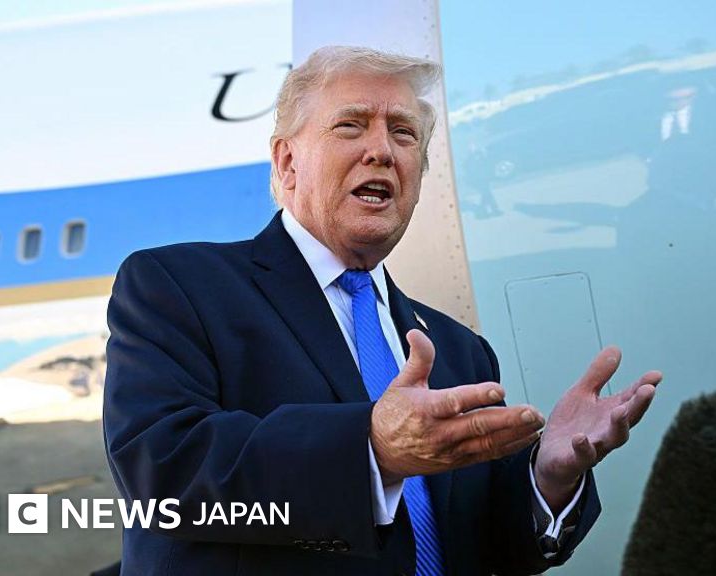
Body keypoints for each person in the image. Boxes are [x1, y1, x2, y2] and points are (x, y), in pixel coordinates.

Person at [103, 45, 661, 576]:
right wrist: (372, 450)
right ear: (287, 161)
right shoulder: (179, 287)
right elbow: (162, 475)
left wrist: (548, 477)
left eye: (403, 133)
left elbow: (484, 545)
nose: (382, 151)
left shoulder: (459, 349)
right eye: (351, 126)